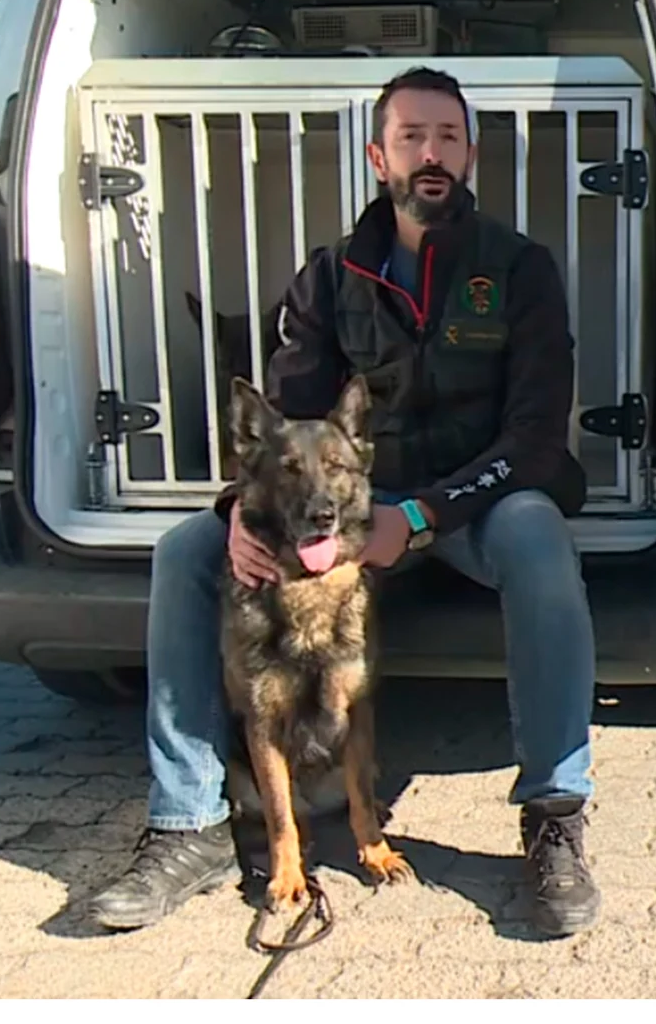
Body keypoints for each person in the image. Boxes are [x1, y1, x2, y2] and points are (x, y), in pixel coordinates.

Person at [90, 66, 601, 937]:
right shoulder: (331, 275)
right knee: (185, 551)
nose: (430, 154)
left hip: (470, 507)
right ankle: (189, 824)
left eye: (447, 137)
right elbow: (281, 427)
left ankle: (555, 817)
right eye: (411, 137)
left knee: (539, 533)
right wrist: (238, 518)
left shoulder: (521, 270)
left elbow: (536, 440)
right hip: (349, 508)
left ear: (470, 154)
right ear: (378, 155)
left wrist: (423, 515)